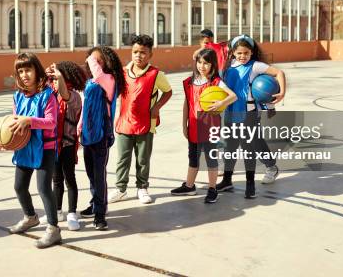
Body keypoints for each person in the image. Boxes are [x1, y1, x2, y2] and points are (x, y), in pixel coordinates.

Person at [0, 52, 61, 249]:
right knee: (19, 186)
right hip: (25, 148)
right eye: (21, 71)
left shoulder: (48, 95)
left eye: (28, 70)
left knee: (43, 189)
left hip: (45, 149)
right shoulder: (18, 96)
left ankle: (53, 229)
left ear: (37, 71)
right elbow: (15, 125)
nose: (25, 75)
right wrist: (5, 141)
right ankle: (30, 217)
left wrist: (29, 120)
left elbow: (51, 123)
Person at [217, 35, 286, 198]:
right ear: (233, 52)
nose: (242, 56)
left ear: (251, 52)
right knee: (230, 146)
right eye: (239, 53)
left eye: (246, 53)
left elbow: (279, 73)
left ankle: (271, 167)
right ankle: (227, 180)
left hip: (249, 112)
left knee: (253, 143)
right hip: (230, 112)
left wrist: (282, 92)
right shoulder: (228, 67)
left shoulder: (255, 66)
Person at [108, 34, 173, 205]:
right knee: (123, 158)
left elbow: (168, 92)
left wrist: (156, 108)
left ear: (150, 54)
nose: (139, 55)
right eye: (135, 51)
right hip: (124, 123)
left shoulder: (156, 74)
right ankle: (121, 189)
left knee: (143, 159)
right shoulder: (122, 72)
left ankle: (142, 187)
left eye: (143, 52)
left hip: (146, 123)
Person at [171, 48, 237, 203]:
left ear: (212, 65)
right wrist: (184, 125)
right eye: (199, 62)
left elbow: (233, 96)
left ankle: (212, 188)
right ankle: (189, 186)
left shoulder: (216, 82)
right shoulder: (189, 82)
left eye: (206, 63)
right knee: (193, 158)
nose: (202, 66)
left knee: (210, 159)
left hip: (209, 126)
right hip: (193, 125)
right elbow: (187, 104)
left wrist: (221, 102)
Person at [78, 46, 127, 230]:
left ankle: (100, 214)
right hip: (88, 134)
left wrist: (91, 56)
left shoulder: (108, 80)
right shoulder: (90, 82)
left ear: (107, 62)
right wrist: (80, 125)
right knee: (91, 174)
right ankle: (94, 204)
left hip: (102, 136)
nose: (95, 63)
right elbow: (85, 105)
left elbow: (97, 72)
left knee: (99, 176)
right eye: (93, 60)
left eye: (99, 60)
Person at [44, 61, 87, 231]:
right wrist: (46, 74)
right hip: (54, 144)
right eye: (53, 78)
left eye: (57, 78)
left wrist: (59, 77)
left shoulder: (74, 96)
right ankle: (58, 210)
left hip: (68, 144)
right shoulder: (51, 94)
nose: (54, 81)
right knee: (56, 180)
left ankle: (71, 213)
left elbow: (64, 93)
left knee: (69, 179)